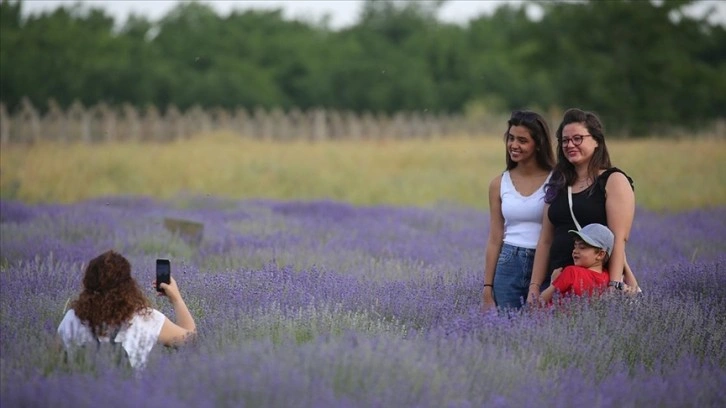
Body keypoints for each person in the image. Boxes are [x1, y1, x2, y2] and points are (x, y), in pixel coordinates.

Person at [528, 108, 639, 305]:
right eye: (565, 140)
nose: (570, 144)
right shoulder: (558, 182)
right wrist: (535, 287)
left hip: (594, 285)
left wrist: (613, 287)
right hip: (557, 281)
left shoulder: (614, 180)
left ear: (596, 141)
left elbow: (618, 240)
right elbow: (545, 240)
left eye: (578, 138)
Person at [57, 250, 196, 370]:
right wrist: (176, 299)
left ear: (88, 283)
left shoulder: (72, 318)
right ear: (129, 284)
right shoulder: (147, 318)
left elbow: (54, 365)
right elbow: (190, 340)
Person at [482, 110, 555, 311]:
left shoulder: (556, 181)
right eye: (511, 138)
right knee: (506, 327)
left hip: (545, 263)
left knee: (543, 328)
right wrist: (487, 288)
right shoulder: (498, 184)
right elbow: (495, 238)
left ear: (538, 143)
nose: (514, 145)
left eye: (522, 140)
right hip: (508, 263)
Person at [540, 223, 613, 304]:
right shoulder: (608, 278)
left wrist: (553, 281)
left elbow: (542, 300)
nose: (575, 251)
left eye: (582, 247)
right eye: (575, 246)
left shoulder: (571, 272)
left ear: (600, 254)